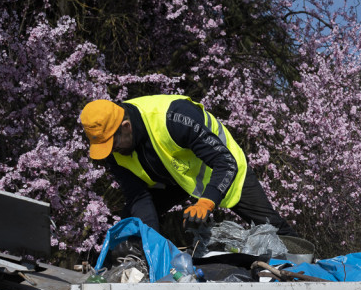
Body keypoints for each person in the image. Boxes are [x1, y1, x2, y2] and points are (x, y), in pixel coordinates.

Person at [79, 95, 296, 236]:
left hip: (221, 167)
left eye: (113, 143)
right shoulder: (109, 145)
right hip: (171, 177)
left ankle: (309, 275)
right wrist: (150, 244)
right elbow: (138, 197)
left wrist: (206, 202)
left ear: (126, 126)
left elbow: (225, 162)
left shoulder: (174, 117)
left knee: (273, 228)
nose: (111, 151)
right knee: (132, 226)